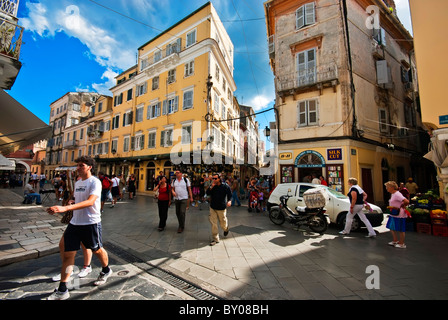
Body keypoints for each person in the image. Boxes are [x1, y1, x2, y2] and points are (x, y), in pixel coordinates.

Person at [46, 156, 112, 300]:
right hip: (75, 223)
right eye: (77, 165)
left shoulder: (95, 182)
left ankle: (106, 270)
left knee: (97, 250)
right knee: (69, 254)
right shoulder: (78, 182)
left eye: (81, 165)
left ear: (89, 167)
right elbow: (79, 199)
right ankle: (63, 289)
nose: (78, 168)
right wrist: (72, 201)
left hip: (91, 223)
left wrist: (66, 207)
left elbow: (90, 202)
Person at [206, 173, 232, 246]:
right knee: (214, 223)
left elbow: (230, 195)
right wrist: (211, 187)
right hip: (213, 207)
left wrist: (229, 201)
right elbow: (207, 193)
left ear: (219, 179)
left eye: (215, 178)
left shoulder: (225, 186)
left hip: (221, 208)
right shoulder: (212, 186)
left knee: (223, 223)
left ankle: (226, 229)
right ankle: (215, 238)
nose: (214, 180)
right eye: (213, 178)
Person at [385, 181, 410, 249]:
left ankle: (401, 243)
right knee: (391, 227)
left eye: (387, 187)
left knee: (400, 229)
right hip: (393, 213)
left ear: (392, 188)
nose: (386, 188)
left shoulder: (397, 194)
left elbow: (406, 201)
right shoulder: (393, 194)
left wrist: (403, 205)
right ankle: (395, 240)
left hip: (399, 214)